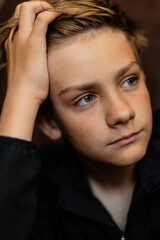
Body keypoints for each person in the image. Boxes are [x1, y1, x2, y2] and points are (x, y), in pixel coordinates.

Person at [0, 0, 160, 239]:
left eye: (129, 80)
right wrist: (22, 94)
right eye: (85, 98)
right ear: (49, 123)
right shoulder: (39, 197)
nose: (122, 113)